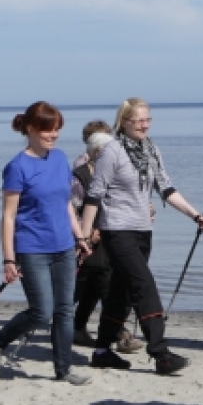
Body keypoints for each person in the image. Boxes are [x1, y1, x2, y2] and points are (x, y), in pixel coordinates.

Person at [78, 98, 203, 376]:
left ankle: (102, 351)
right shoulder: (112, 151)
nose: (143, 125)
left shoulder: (151, 149)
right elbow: (95, 194)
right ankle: (160, 352)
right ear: (123, 122)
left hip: (142, 230)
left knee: (121, 292)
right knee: (144, 286)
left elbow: (166, 188)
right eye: (137, 120)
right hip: (116, 230)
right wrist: (84, 235)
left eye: (147, 119)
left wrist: (195, 215)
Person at [0, 102, 92, 385]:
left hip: (64, 246)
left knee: (65, 309)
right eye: (47, 129)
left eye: (56, 129)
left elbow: (66, 203)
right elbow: (8, 216)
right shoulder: (17, 167)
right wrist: (8, 259)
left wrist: (80, 237)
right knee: (42, 312)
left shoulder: (59, 158)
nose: (53, 135)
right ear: (31, 128)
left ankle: (63, 370)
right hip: (31, 248)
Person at [69, 120, 141, 352]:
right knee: (106, 284)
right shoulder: (80, 170)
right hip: (91, 238)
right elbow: (72, 207)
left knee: (91, 286)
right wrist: (86, 232)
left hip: (112, 232)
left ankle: (76, 327)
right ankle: (121, 334)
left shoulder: (115, 164)